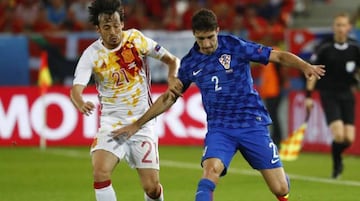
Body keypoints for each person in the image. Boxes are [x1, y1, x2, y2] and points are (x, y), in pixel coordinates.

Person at [111, 8, 325, 201]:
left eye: (210, 37)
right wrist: (137, 124)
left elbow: (276, 56)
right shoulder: (190, 63)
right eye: (201, 38)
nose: (206, 44)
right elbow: (169, 98)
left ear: (217, 30)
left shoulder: (234, 45)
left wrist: (304, 66)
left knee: (279, 188)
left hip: (252, 123)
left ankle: (282, 180)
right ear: (194, 35)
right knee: (210, 171)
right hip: (220, 129)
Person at [69, 0, 182, 201]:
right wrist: (80, 102)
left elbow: (172, 60)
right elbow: (76, 89)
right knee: (100, 172)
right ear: (98, 29)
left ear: (122, 23)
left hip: (143, 123)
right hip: (112, 124)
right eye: (107, 27)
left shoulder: (136, 40)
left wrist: (172, 77)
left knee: (152, 188)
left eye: (116, 25)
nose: (113, 31)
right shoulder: (91, 55)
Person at [305, 12, 360, 179]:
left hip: (347, 94)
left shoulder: (355, 48)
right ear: (333, 27)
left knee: (349, 139)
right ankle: (337, 166)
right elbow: (313, 72)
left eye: (344, 25)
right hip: (329, 94)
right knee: (339, 135)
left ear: (349, 27)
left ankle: (338, 156)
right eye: (338, 25)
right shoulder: (324, 48)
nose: (341, 28)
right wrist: (308, 96)